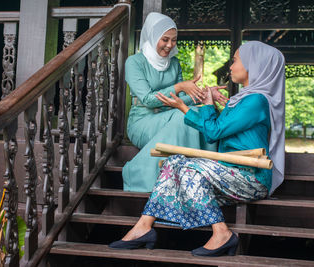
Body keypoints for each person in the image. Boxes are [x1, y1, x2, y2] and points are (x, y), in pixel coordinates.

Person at [109, 41, 285, 257]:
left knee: (188, 170)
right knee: (173, 162)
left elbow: (213, 132)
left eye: (236, 60)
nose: (230, 67)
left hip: (250, 177)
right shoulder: (241, 100)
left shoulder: (257, 101)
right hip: (227, 175)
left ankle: (221, 232)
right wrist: (208, 101)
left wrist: (184, 107)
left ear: (253, 65)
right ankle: (143, 226)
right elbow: (216, 126)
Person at [123, 12, 227, 192]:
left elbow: (179, 100)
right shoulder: (134, 62)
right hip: (143, 122)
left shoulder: (174, 63)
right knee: (184, 117)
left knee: (198, 112)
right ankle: (140, 174)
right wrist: (179, 86)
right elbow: (147, 99)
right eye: (165, 39)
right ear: (153, 36)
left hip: (169, 116)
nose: (170, 45)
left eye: (173, 40)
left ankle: (203, 173)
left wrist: (205, 94)